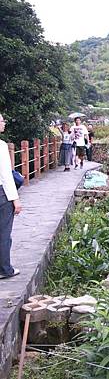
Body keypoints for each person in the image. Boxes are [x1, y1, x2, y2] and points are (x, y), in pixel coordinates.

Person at [0, 114, 22, 279]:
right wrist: (15, 199)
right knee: (4, 233)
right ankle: (5, 269)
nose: (4, 124)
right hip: (2, 194)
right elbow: (6, 175)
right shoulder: (1, 146)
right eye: (2, 121)